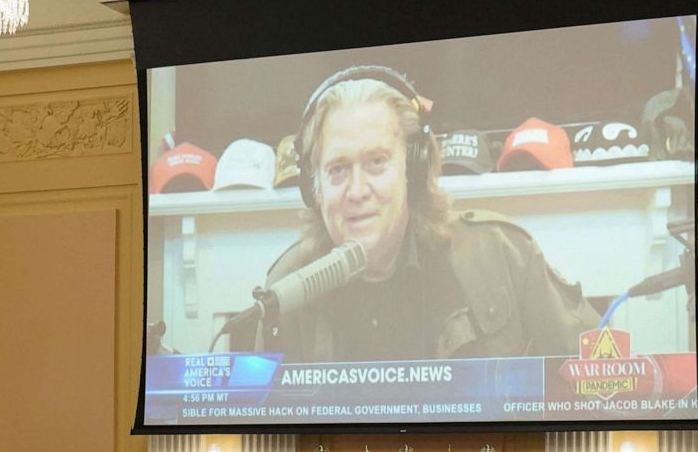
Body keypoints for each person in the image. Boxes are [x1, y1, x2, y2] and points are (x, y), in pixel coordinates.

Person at [255, 65, 599, 362]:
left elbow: (606, 383)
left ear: (414, 170)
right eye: (338, 169)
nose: (357, 191)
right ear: (314, 188)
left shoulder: (503, 255)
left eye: (376, 163)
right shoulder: (285, 290)